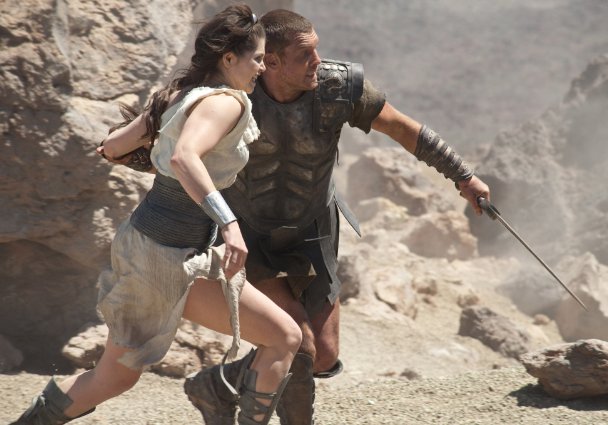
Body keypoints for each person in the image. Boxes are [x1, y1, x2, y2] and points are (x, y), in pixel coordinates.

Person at [97, 8, 491, 425]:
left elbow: (402, 128)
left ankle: (217, 386)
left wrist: (463, 176)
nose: (318, 62)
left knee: (323, 355)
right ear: (270, 61)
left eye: (317, 51)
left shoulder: (339, 89)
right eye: (305, 55)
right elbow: (173, 148)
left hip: (312, 229)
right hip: (251, 233)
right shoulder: (230, 97)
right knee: (297, 341)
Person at [10, 5, 301, 425]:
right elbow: (184, 157)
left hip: (161, 248)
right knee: (114, 377)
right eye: (257, 58)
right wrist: (229, 223)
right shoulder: (226, 102)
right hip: (163, 257)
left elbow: (111, 148)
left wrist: (157, 146)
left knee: (282, 336)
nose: (261, 67)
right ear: (228, 58)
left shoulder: (182, 95)